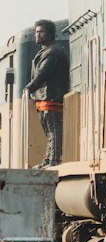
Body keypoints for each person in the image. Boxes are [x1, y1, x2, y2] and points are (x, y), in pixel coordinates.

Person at [24, 19, 70, 167]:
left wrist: (29, 87)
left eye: (41, 32)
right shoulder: (47, 51)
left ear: (50, 34)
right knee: (50, 132)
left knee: (53, 131)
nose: (37, 35)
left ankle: (54, 160)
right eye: (36, 32)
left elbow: (43, 73)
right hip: (44, 97)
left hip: (50, 96)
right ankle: (48, 160)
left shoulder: (52, 52)